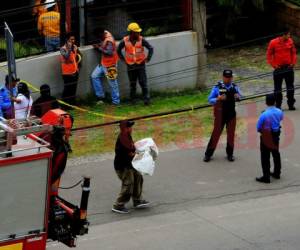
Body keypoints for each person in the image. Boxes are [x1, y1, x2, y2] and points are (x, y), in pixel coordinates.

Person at [203, 69, 242, 162]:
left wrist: (238, 97)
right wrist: (218, 98)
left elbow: (240, 96)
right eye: (226, 77)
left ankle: (230, 154)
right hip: (220, 115)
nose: (228, 79)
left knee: (231, 135)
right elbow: (209, 100)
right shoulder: (217, 87)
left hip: (231, 114)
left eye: (229, 77)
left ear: (232, 77)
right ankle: (208, 154)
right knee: (216, 134)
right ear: (223, 77)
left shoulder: (235, 87)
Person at [112, 120, 150, 214]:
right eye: (129, 127)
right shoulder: (123, 139)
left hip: (130, 164)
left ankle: (137, 200)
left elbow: (132, 148)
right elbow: (131, 153)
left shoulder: (127, 136)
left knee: (138, 177)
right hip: (123, 166)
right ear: (125, 129)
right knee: (129, 183)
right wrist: (142, 154)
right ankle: (118, 205)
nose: (131, 129)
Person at [117, 22, 153, 105]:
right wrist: (123, 59)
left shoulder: (141, 40)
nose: (138, 33)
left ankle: (146, 99)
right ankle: (133, 100)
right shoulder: (125, 41)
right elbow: (118, 50)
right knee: (132, 84)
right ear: (132, 32)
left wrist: (148, 58)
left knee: (143, 82)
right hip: (130, 66)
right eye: (137, 32)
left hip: (140, 65)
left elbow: (150, 48)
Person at [256, 94, 283, 184]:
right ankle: (277, 173)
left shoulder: (264, 114)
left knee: (265, 157)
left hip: (266, 136)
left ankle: (266, 176)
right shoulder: (279, 111)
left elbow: (258, 127)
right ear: (275, 102)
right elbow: (280, 119)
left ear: (266, 102)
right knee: (276, 154)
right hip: (276, 135)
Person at [267, 28, 297, 110]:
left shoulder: (290, 41)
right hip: (279, 69)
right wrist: (274, 65)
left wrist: (293, 63)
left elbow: (294, 53)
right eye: (288, 34)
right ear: (283, 35)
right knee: (277, 88)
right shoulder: (273, 42)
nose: (289, 36)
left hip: (288, 67)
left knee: (290, 87)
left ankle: (291, 104)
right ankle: (278, 105)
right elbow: (269, 55)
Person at [91, 28, 120, 105]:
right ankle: (100, 96)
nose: (98, 38)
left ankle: (116, 102)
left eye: (98, 36)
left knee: (112, 83)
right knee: (94, 76)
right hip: (104, 62)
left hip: (111, 64)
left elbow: (109, 52)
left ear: (101, 34)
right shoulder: (104, 36)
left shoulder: (109, 40)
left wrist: (98, 48)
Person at [60, 32, 82, 105]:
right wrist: (69, 49)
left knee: (73, 89)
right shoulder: (62, 49)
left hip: (75, 71)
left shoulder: (75, 47)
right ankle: (65, 104)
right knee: (67, 89)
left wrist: (79, 65)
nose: (73, 41)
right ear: (67, 40)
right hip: (67, 73)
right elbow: (66, 56)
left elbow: (80, 55)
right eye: (71, 39)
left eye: (74, 39)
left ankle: (72, 104)